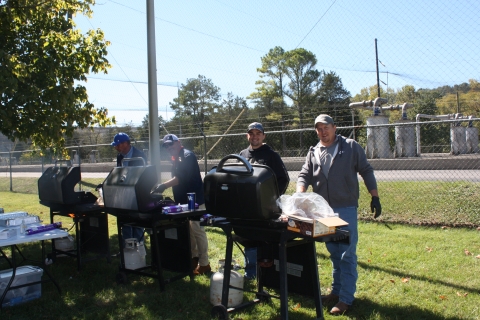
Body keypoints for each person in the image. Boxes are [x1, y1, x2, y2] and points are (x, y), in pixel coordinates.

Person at [296, 114, 381, 315]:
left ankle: (346, 299)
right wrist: (299, 195)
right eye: (319, 129)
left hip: (345, 209)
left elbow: (366, 170)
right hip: (323, 211)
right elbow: (304, 175)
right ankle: (336, 291)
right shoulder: (313, 151)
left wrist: (374, 196)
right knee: (334, 252)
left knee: (347, 253)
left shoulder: (351, 147)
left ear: (335, 127)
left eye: (326, 127)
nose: (323, 132)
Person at [153, 134, 211, 275]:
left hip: (195, 201)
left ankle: (205, 264)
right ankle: (193, 258)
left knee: (197, 230)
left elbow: (181, 177)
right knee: (189, 231)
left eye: (171, 144)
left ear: (179, 143)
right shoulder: (176, 158)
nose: (169, 147)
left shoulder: (186, 155)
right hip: (185, 202)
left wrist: (163, 186)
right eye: (166, 146)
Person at [238, 122, 290, 279]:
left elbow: (284, 179)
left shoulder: (271, 155)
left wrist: (272, 199)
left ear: (263, 136)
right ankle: (251, 271)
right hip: (247, 208)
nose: (254, 137)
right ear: (248, 136)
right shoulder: (242, 154)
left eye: (258, 133)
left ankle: (266, 273)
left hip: (264, 208)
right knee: (247, 237)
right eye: (251, 133)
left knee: (264, 239)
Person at [110, 132, 147, 245]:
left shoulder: (139, 155)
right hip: (124, 193)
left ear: (126, 143)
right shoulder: (120, 156)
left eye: (118, 145)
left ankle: (139, 245)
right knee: (125, 221)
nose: (116, 147)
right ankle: (127, 245)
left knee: (137, 221)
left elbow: (142, 176)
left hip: (136, 193)